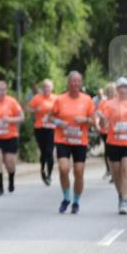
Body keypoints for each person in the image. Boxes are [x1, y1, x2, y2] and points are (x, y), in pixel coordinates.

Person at [51, 71, 96, 214]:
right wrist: (59, 122)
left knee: (79, 172)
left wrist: (85, 120)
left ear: (81, 83)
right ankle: (66, 198)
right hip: (62, 139)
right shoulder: (60, 99)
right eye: (73, 81)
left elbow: (93, 121)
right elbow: (50, 118)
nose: (76, 84)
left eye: (78, 81)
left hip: (79, 140)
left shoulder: (87, 100)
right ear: (68, 83)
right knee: (63, 169)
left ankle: (76, 201)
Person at [97, 77, 127, 214]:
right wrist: (102, 120)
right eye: (121, 87)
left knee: (126, 171)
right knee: (116, 175)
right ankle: (121, 195)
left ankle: (124, 202)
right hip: (114, 143)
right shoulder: (109, 104)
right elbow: (103, 123)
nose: (123, 90)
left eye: (126, 87)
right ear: (117, 90)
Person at [27, 79, 57, 185]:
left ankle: (49, 175)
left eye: (48, 87)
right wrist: (36, 110)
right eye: (44, 87)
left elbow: (61, 112)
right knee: (43, 152)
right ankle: (42, 170)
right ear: (42, 88)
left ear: (52, 88)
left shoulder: (56, 99)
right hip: (39, 128)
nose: (46, 89)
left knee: (49, 152)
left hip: (52, 128)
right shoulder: (37, 98)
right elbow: (28, 108)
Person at [96, 83, 116, 181]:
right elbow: (98, 113)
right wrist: (98, 122)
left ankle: (115, 171)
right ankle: (110, 171)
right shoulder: (103, 102)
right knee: (108, 151)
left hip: (117, 132)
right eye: (109, 91)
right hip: (105, 131)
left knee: (115, 151)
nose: (111, 93)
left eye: (113, 91)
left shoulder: (118, 102)